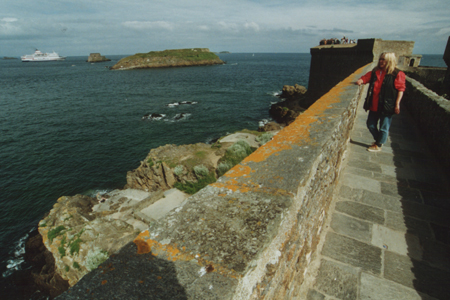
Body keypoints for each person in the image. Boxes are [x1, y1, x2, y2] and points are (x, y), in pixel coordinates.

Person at [356, 52, 406, 152]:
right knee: (370, 124)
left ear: (390, 61)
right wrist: (361, 80)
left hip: (387, 105)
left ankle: (378, 145)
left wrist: (397, 104)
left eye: (384, 59)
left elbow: (401, 89)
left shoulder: (397, 74)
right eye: (380, 59)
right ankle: (379, 140)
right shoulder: (376, 71)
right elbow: (366, 77)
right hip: (374, 104)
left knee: (384, 127)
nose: (381, 61)